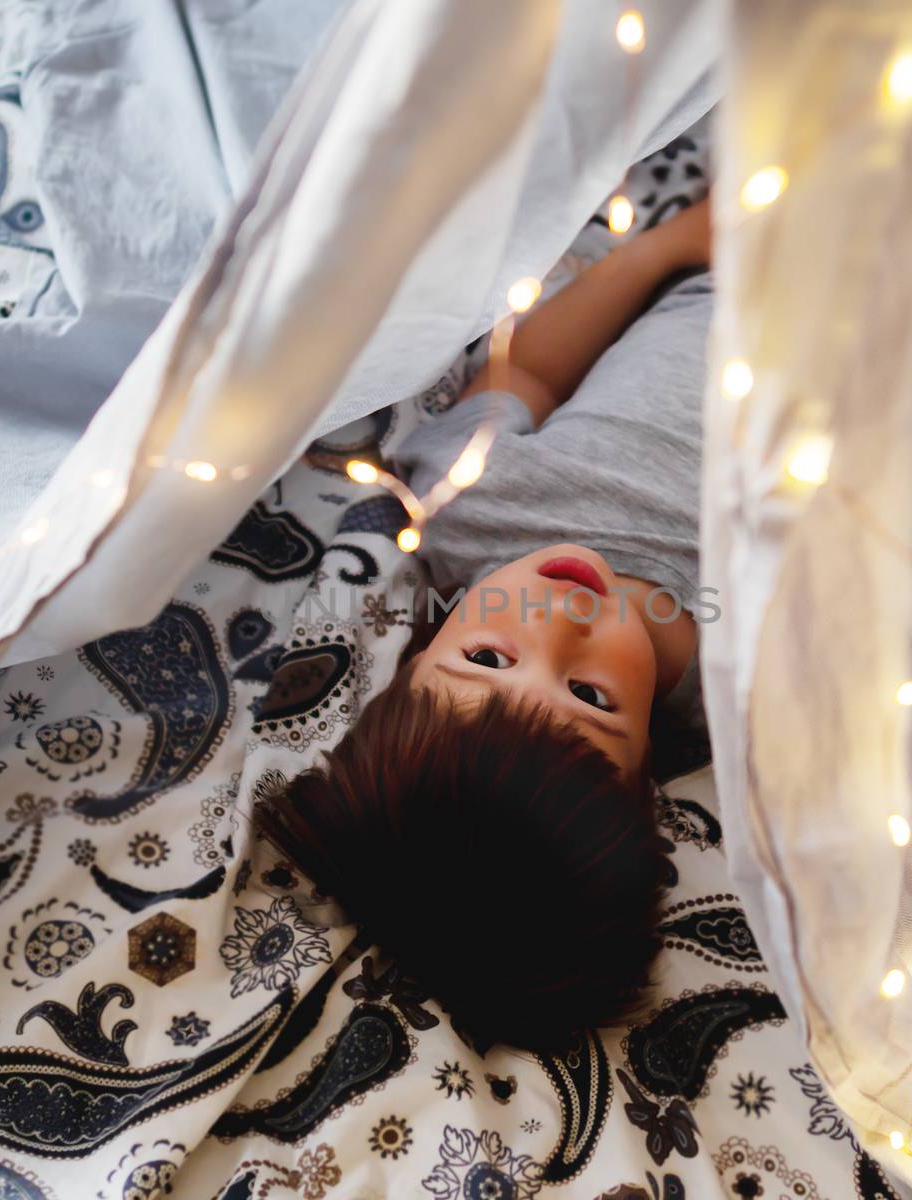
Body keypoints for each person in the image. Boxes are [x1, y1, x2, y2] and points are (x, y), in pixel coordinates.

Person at [253, 199, 714, 1052]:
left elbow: (528, 373)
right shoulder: (748, 669)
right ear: (653, 760)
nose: (559, 621)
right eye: (590, 694)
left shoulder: (469, 509)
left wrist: (669, 247)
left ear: (421, 650)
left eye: (489, 655)